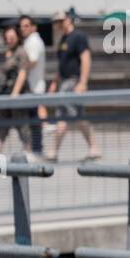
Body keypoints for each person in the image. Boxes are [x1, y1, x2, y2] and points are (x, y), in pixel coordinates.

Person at [47, 10, 101, 161]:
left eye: (60, 21)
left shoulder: (78, 37)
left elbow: (85, 59)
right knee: (71, 116)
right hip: (64, 82)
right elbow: (61, 65)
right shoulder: (63, 39)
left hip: (74, 81)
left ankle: (55, 151)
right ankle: (92, 148)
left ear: (68, 20)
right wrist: (54, 83)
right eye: (55, 22)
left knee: (70, 114)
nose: (57, 24)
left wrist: (82, 82)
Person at [0, 26, 30, 158]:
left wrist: (15, 94)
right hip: (4, 95)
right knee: (1, 124)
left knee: (21, 124)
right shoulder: (9, 52)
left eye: (12, 37)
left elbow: (23, 73)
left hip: (16, 95)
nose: (9, 40)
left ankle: (28, 152)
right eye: (7, 38)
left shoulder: (21, 52)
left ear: (18, 37)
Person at [17, 16, 47, 157]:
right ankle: (34, 149)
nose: (23, 28)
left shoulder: (33, 41)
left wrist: (21, 70)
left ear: (34, 27)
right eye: (22, 26)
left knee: (34, 121)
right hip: (33, 85)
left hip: (34, 86)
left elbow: (33, 62)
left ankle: (36, 150)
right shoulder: (31, 40)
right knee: (32, 120)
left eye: (26, 25)